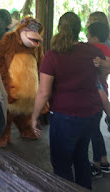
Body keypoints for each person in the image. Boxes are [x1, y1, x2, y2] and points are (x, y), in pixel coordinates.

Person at [32, 12, 104, 190]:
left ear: (59, 28)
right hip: (91, 115)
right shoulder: (93, 51)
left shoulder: (52, 55)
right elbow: (102, 76)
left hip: (66, 118)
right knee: (81, 159)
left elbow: (43, 92)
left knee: (62, 164)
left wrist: (34, 117)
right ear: (80, 29)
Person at [87, 22, 110, 177]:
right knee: (95, 130)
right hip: (101, 90)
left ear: (94, 37)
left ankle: (96, 165)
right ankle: (105, 162)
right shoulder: (104, 48)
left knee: (93, 131)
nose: (87, 39)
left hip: (97, 92)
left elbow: (107, 62)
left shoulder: (98, 48)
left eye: (88, 36)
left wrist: (100, 62)